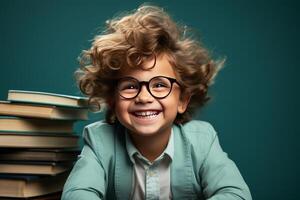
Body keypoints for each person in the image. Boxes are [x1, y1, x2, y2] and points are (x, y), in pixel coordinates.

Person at [62, 4, 252, 200]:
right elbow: (76, 194)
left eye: (160, 85)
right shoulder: (100, 141)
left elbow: (235, 194)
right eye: (130, 86)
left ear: (183, 100)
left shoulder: (202, 140)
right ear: (112, 99)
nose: (144, 97)